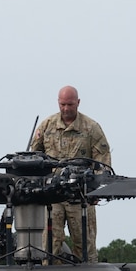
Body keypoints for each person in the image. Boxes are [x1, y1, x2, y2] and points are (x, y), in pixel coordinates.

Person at [28, 85, 111, 261]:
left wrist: (97, 190)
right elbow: (32, 158)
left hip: (80, 197)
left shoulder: (91, 128)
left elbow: (103, 163)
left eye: (70, 104)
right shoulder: (46, 126)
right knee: (49, 245)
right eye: (63, 104)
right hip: (52, 196)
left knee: (85, 246)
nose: (66, 109)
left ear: (78, 103)